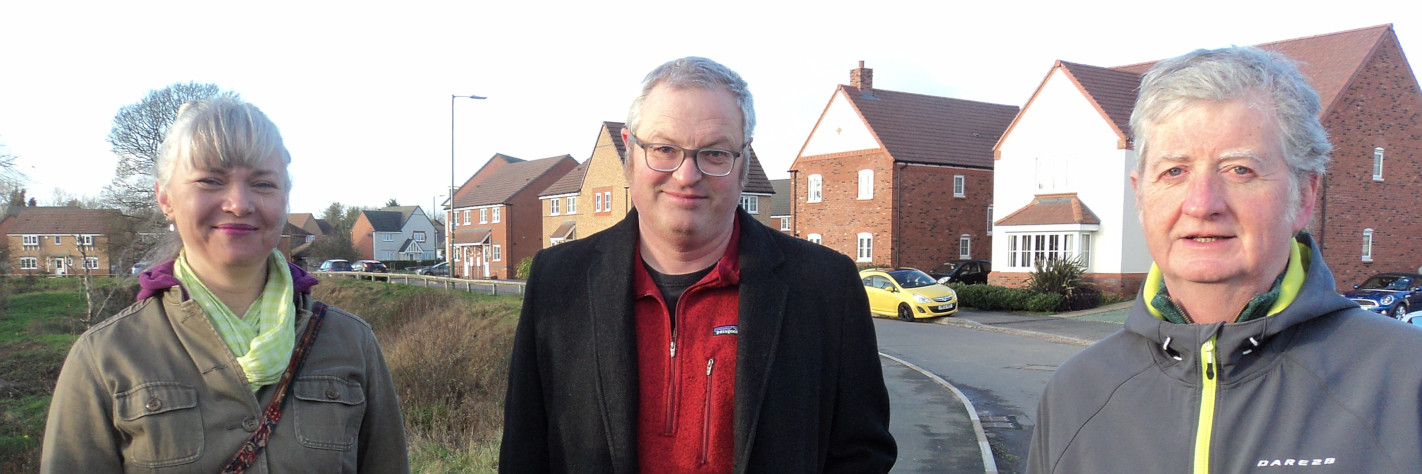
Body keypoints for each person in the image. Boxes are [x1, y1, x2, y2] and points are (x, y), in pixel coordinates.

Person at [1027, 46, 1422, 473]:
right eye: (1174, 171)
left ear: (1305, 195)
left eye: (1239, 170)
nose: (1202, 204)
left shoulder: (1405, 380)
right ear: (1140, 195)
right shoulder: (1076, 393)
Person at [499, 57, 897, 472]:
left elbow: (862, 453)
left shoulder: (826, 286)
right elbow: (524, 452)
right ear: (630, 153)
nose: (687, 174)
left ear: (743, 161)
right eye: (665, 149)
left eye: (714, 153)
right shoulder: (558, 282)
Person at [41, 98, 409, 472]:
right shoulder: (104, 358)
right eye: (210, 181)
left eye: (263, 183)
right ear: (165, 198)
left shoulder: (351, 343)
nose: (239, 203)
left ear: (284, 199)